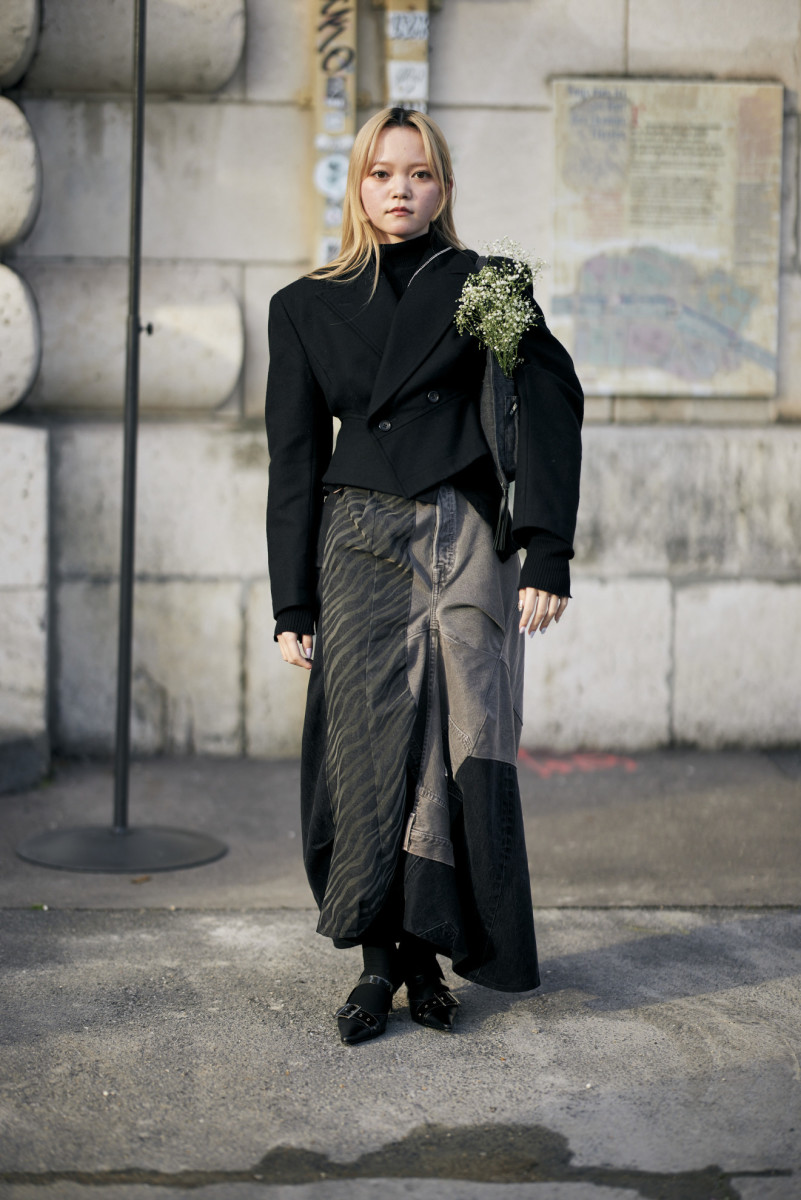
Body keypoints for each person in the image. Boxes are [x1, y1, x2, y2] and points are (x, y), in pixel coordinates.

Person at [265, 106, 583, 1045]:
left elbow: (551, 407)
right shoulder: (305, 304)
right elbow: (291, 459)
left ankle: (432, 953)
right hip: (357, 539)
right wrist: (291, 598)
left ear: (443, 187)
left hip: (465, 533)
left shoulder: (488, 283)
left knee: (460, 741)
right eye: (381, 174)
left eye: (420, 174)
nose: (400, 190)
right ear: (355, 186)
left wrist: (545, 548)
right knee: (367, 748)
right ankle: (380, 963)